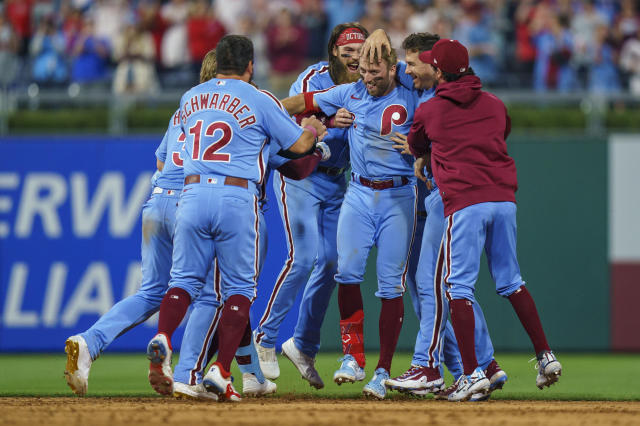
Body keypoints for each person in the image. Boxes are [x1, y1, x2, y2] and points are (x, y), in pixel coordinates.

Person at [145, 35, 325, 402]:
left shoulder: (189, 98)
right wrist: (314, 132)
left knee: (182, 282)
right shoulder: (258, 98)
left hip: (191, 193)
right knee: (239, 291)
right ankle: (221, 370)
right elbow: (300, 148)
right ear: (250, 66)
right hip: (237, 194)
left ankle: (163, 335)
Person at [408, 38, 562, 402]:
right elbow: (499, 133)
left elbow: (417, 144)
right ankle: (545, 355)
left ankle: (472, 373)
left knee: (457, 287)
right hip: (504, 200)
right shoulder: (495, 104)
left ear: (439, 70)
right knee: (511, 281)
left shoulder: (430, 108)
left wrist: (433, 151)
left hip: (465, 201)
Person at [364, 30, 507, 401]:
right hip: (428, 201)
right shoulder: (432, 90)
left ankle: (432, 367)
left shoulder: (444, 99)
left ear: (435, 65)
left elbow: (431, 138)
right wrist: (379, 33)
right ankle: (482, 367)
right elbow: (383, 68)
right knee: (442, 287)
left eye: (413, 63)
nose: (406, 70)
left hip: (448, 200)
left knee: (438, 288)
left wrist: (420, 150)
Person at [282, 43, 428, 400]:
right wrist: (266, 111)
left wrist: (419, 148)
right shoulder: (350, 91)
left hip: (399, 195)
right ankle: (353, 358)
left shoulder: (409, 90)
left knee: (391, 284)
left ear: (393, 69)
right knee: (345, 272)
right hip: (359, 193)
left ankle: (383, 372)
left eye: (374, 72)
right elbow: (302, 103)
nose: (367, 79)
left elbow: (434, 111)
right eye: (363, 71)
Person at [253, 22, 366, 390]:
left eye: (360, 52)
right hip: (301, 175)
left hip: (337, 180)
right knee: (302, 258)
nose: (354, 58)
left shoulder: (370, 84)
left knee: (334, 262)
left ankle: (302, 344)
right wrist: (332, 119)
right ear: (334, 51)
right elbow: (292, 124)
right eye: (347, 51)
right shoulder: (312, 77)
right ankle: (266, 336)